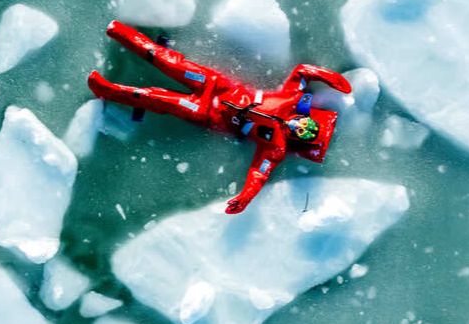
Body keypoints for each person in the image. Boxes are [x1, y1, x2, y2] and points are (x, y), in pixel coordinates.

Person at [87, 21, 353, 214]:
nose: (300, 127)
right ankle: (120, 31)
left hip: (208, 113)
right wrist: (332, 78)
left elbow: (258, 174)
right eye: (307, 124)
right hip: (216, 86)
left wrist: (246, 197)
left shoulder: (275, 147)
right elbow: (302, 72)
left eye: (303, 133)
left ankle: (106, 90)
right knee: (168, 61)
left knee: (156, 98)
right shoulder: (292, 99)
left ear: (300, 140)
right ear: (308, 117)